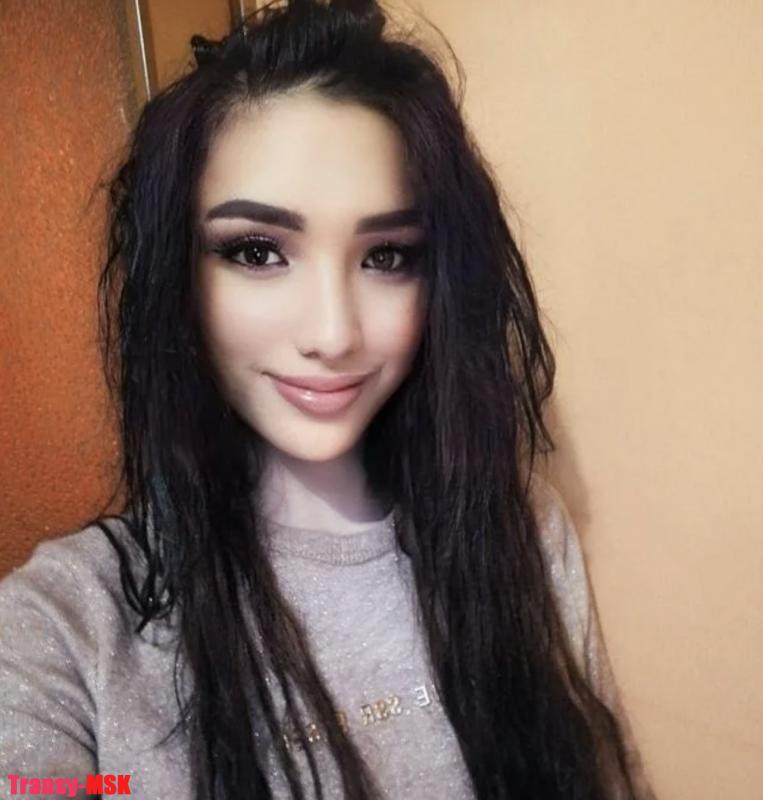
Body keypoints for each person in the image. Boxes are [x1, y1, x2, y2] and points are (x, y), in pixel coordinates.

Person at [0, 1, 656, 798]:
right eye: (256, 251)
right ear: (178, 275)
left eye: (387, 256)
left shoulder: (515, 529)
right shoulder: (62, 630)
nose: (333, 333)